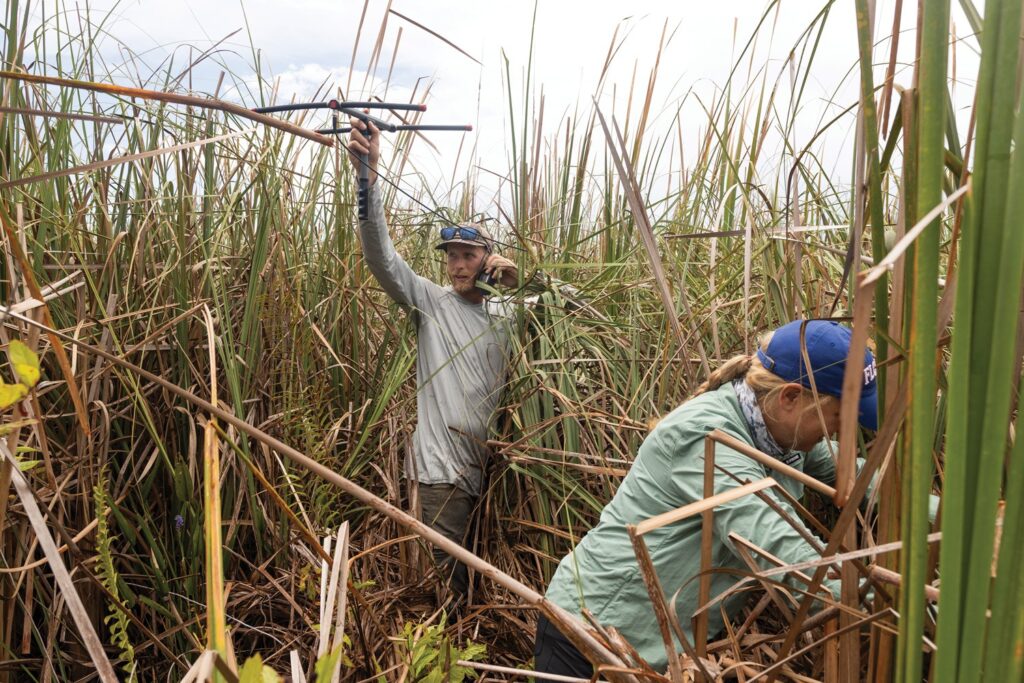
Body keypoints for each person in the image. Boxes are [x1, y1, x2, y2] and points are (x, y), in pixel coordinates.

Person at [534, 319, 879, 677]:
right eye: (840, 416)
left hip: (660, 649)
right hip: (593, 634)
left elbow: (860, 476)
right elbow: (775, 544)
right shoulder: (706, 438)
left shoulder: (783, 434)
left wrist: (936, 514)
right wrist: (898, 610)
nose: (843, 430)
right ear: (791, 397)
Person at [348, 117, 520, 602]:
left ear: (489, 258)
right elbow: (381, 257)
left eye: (469, 255)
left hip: (482, 478)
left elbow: (571, 306)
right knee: (445, 597)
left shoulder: (510, 313)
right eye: (452, 256)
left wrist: (522, 281)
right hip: (439, 477)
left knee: (465, 595)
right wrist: (368, 177)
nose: (459, 265)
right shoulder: (431, 302)